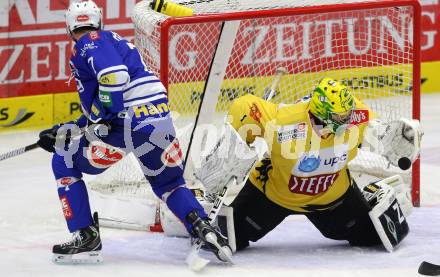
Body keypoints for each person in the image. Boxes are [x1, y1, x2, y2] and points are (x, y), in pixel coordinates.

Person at [36, 0, 230, 264]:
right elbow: (102, 104)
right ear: (98, 19)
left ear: (69, 26)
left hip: (128, 122)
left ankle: (85, 235)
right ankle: (203, 227)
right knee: (169, 183)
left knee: (64, 160)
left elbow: (114, 77)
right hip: (157, 118)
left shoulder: (89, 41)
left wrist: (108, 115)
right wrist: (66, 129)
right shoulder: (112, 41)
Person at [221, 77, 419, 252]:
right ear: (322, 114)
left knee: (373, 238)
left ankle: (374, 193)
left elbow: (383, 134)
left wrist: (402, 139)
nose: (349, 120)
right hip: (272, 194)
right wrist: (233, 144)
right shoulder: (281, 121)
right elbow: (243, 106)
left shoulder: (356, 115)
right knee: (225, 239)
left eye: (348, 113)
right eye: (341, 117)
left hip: (333, 197)